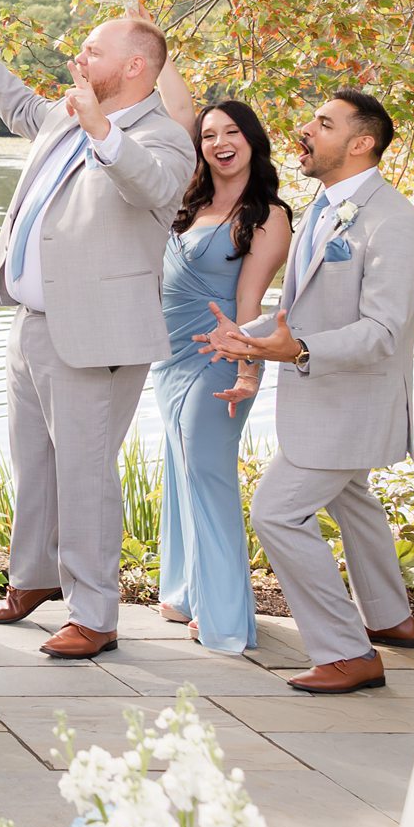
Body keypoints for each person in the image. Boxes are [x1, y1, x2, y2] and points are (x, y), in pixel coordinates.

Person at [0, 0, 193, 658]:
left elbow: (155, 188)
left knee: (84, 472)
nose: (82, 58)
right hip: (32, 324)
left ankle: (95, 615)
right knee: (36, 464)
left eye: (96, 51)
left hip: (96, 333)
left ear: (135, 66)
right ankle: (33, 580)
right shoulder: (67, 118)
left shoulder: (160, 136)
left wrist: (102, 127)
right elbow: (19, 105)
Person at [200, 90, 414, 694]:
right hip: (326, 401)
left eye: (323, 124)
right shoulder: (326, 206)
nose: (305, 130)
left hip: (350, 406)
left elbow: (382, 332)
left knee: (277, 513)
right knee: (353, 499)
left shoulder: (394, 222)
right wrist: (247, 337)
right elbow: (300, 310)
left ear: (361, 144)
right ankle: (390, 619)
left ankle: (347, 652)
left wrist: (297, 352)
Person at [146, 42, 291, 655]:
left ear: (252, 141)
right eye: (209, 134)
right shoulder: (190, 201)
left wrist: (249, 369)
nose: (218, 142)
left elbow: (252, 307)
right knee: (180, 469)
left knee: (208, 474)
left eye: (232, 131)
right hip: (167, 356)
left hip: (218, 356)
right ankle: (185, 590)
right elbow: (176, 107)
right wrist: (152, 40)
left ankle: (225, 612)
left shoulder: (268, 215)